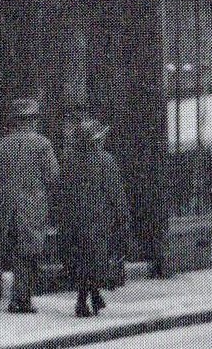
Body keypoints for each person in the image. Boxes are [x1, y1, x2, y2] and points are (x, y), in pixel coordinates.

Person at [0, 97, 59, 313]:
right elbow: (53, 176)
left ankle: (19, 297)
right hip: (33, 206)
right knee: (31, 254)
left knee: (16, 253)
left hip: (6, 207)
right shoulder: (42, 144)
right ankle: (21, 299)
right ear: (33, 120)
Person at [54, 115, 133, 317]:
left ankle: (90, 297)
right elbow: (116, 193)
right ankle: (86, 299)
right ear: (96, 141)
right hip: (99, 220)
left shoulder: (69, 161)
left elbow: (61, 191)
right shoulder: (105, 161)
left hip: (74, 221)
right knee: (96, 260)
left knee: (80, 260)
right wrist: (123, 218)